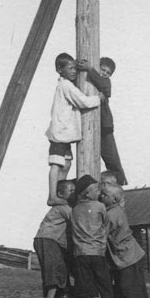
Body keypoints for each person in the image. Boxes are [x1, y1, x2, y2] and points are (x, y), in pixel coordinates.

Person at [46, 53, 102, 203]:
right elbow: (82, 101)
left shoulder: (66, 85)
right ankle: (52, 196)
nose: (73, 71)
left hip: (64, 132)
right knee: (56, 163)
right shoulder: (65, 85)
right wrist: (98, 99)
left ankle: (60, 192)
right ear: (59, 69)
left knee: (66, 163)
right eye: (69, 68)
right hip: (60, 132)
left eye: (74, 69)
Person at [101, 181, 150, 298]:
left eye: (104, 194)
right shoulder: (118, 210)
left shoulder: (110, 215)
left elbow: (101, 236)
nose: (101, 196)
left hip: (126, 257)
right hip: (135, 253)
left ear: (114, 200)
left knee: (127, 288)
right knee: (139, 287)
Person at [76, 56, 127, 186]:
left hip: (104, 127)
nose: (104, 73)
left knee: (112, 158)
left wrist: (90, 69)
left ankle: (120, 182)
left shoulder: (104, 81)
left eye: (107, 73)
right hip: (88, 124)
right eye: (102, 69)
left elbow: (106, 89)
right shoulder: (87, 78)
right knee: (88, 157)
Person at [70, 174, 115, 298]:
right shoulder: (100, 206)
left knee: (84, 287)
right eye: (96, 190)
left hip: (81, 253)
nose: (99, 192)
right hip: (97, 253)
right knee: (105, 285)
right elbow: (106, 225)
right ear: (87, 193)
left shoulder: (75, 210)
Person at [33, 178, 76, 298]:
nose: (73, 193)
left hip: (48, 239)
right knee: (54, 268)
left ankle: (57, 297)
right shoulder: (64, 207)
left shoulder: (63, 207)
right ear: (61, 195)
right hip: (47, 239)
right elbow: (77, 221)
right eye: (71, 190)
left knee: (58, 267)